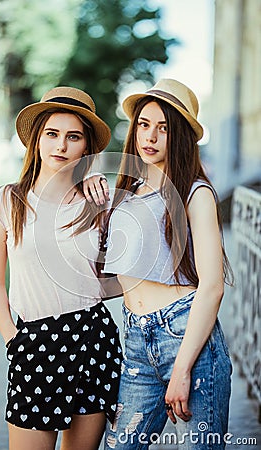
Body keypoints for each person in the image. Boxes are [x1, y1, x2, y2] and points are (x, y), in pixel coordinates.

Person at [0, 86, 122, 450]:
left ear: (86, 147)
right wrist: (13, 340)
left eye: (73, 137)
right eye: (52, 134)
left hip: (92, 338)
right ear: (37, 140)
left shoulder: (98, 203)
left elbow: (116, 277)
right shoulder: (6, 200)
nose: (61, 145)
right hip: (33, 341)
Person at [101, 79, 233, 450]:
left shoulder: (195, 192)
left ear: (180, 136)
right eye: (144, 124)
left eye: (164, 128)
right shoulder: (128, 191)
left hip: (185, 339)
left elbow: (212, 286)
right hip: (137, 342)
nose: (151, 136)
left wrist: (182, 368)